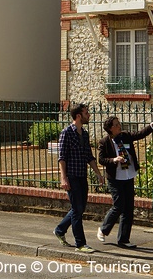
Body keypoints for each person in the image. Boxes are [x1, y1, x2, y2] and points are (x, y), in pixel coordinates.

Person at [97, 115, 153, 248]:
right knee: (118, 205)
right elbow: (101, 159)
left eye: (119, 123)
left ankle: (124, 239)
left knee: (128, 209)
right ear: (110, 128)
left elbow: (139, 134)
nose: (119, 126)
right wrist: (114, 160)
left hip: (128, 175)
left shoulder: (125, 136)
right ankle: (103, 229)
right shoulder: (104, 142)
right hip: (115, 178)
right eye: (116, 124)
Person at [54, 103, 104, 253]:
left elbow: (89, 156)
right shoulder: (66, 133)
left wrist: (98, 173)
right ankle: (80, 244)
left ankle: (60, 229)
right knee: (77, 210)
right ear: (78, 116)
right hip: (72, 176)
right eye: (86, 113)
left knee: (79, 208)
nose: (88, 115)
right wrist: (63, 178)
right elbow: (61, 157)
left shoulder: (85, 134)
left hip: (82, 175)